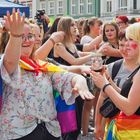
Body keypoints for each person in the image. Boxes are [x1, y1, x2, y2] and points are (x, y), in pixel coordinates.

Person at [0, 9, 94, 140]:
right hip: (18, 133)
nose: (26, 40)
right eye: (22, 36)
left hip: (49, 131)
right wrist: (15, 36)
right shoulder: (5, 63)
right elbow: (10, 61)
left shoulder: (40, 65)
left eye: (30, 36)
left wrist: (79, 81)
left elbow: (64, 75)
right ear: (8, 39)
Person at [92, 22, 140, 140]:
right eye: (122, 44)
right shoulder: (115, 67)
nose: (126, 46)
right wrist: (108, 81)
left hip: (133, 133)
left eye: (131, 40)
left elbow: (129, 108)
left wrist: (105, 85)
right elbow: (128, 97)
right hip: (123, 130)